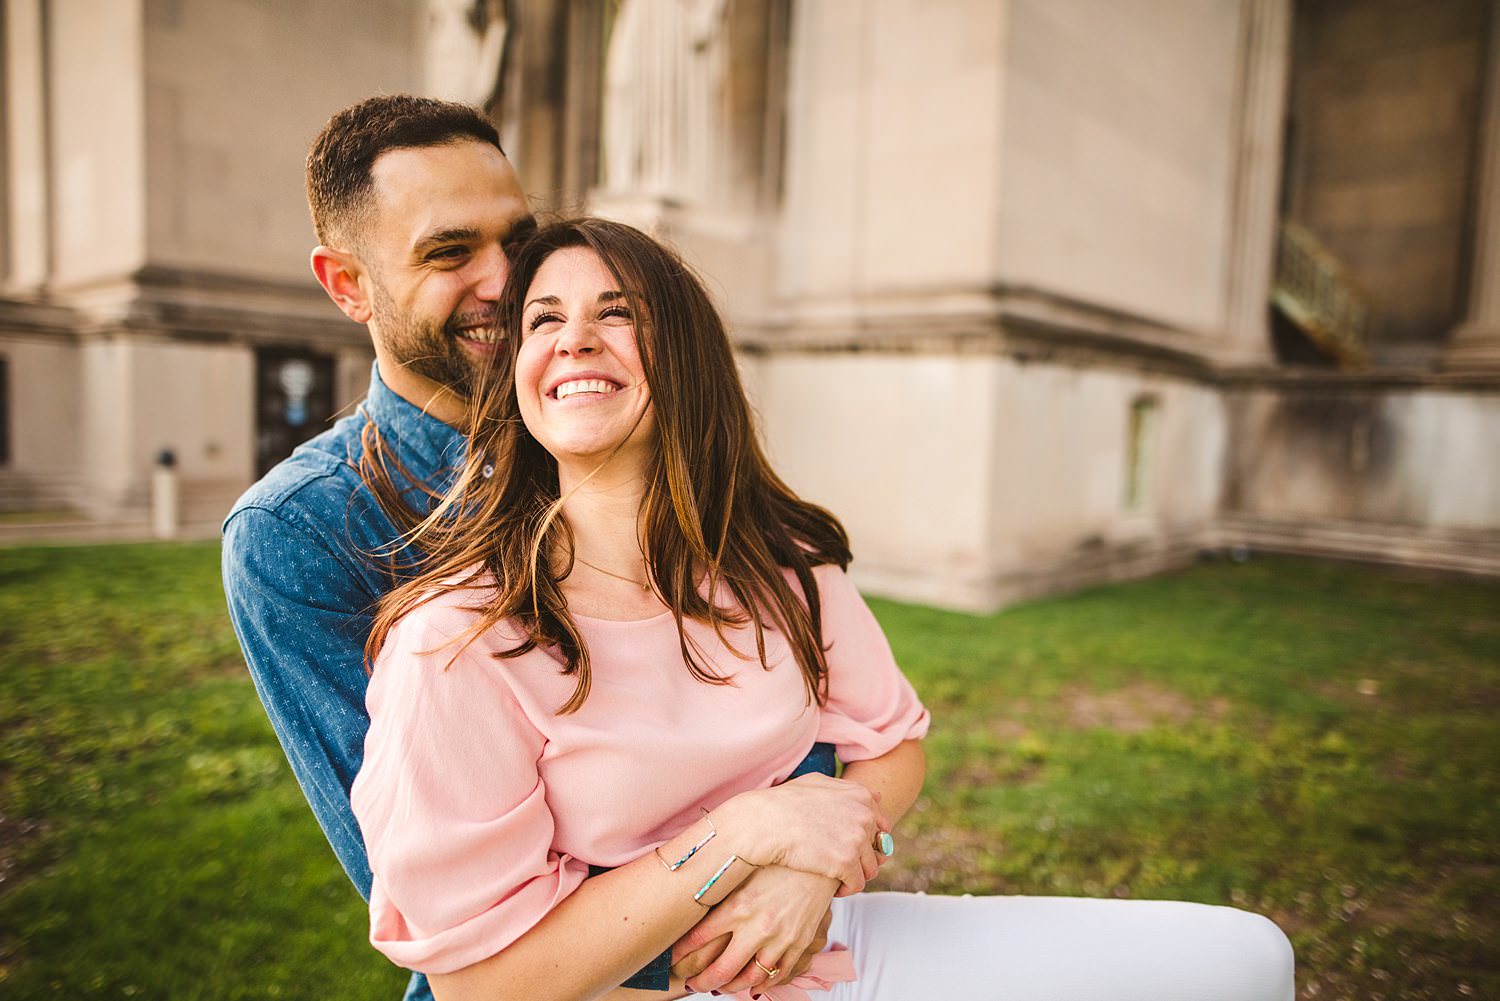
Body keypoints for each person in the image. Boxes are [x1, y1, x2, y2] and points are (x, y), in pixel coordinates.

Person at [350, 218, 1297, 1001]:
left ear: (682, 358)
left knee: (1246, 958)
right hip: (639, 988)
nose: (575, 339)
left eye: (618, 313)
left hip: (819, 942)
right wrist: (749, 833)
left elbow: (894, 744)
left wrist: (812, 865)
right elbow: (484, 984)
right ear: (518, 374)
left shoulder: (777, 564)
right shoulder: (457, 638)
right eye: (543, 320)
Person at [222, 96, 835, 1001]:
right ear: (347, 284)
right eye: (448, 252)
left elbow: (809, 710)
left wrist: (809, 861)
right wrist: (760, 845)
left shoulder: (637, 427)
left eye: (519, 237)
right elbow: (452, 908)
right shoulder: (303, 531)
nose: (507, 281)